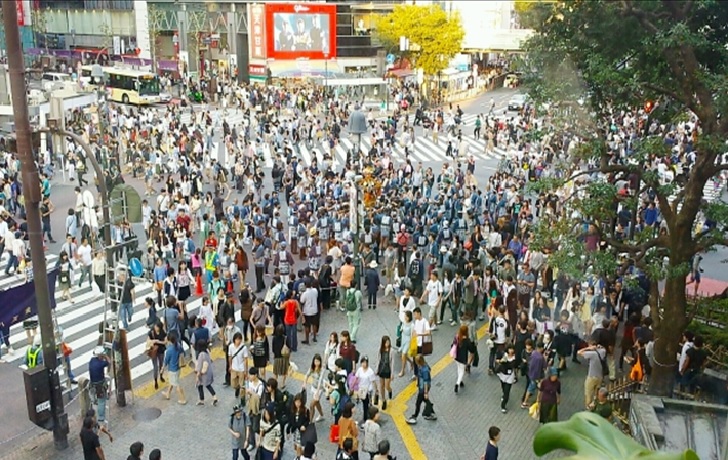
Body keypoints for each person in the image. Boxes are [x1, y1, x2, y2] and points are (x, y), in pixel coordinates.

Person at [406, 355, 435, 424]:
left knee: (418, 403)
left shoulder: (424, 370)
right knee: (425, 399)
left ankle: (415, 416)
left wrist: (425, 392)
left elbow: (425, 382)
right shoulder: (424, 366)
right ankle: (430, 412)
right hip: (423, 388)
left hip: (423, 389)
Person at [162, 331, 187, 405]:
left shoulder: (169, 350)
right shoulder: (178, 346)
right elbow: (183, 353)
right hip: (178, 368)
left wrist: (162, 369)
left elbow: (166, 361)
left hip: (172, 370)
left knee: (177, 384)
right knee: (172, 381)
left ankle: (182, 399)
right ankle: (168, 393)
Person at [453, 324, 476, 393]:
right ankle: (457, 384)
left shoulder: (457, 337)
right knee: (462, 372)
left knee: (459, 369)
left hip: (456, 357)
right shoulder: (467, 340)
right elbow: (471, 350)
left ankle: (461, 381)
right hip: (463, 359)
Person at [89, 346, 110, 423]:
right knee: (101, 401)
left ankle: (94, 402)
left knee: (95, 400)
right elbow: (109, 362)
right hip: (100, 385)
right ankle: (101, 418)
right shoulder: (100, 364)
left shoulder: (92, 361)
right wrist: (106, 356)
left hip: (92, 384)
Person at [195, 339, 218, 406]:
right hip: (208, 372)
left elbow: (201, 364)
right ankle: (214, 397)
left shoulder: (201, 354)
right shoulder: (207, 351)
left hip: (203, 374)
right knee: (207, 385)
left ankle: (202, 400)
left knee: (200, 385)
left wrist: (198, 373)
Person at [496, 345, 518, 413]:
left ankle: (503, 405)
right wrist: (500, 361)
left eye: (512, 349)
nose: (511, 351)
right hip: (502, 374)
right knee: (503, 386)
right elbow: (497, 359)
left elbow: (515, 366)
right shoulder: (504, 354)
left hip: (510, 376)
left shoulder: (515, 357)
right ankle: (504, 395)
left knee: (507, 391)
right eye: (510, 349)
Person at [229, 332, 249, 404]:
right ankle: (237, 388)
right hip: (234, 368)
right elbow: (230, 356)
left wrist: (246, 371)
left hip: (241, 369)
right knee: (233, 383)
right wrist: (230, 366)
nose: (238, 341)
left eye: (240, 339)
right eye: (237, 339)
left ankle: (242, 399)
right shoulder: (231, 346)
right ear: (234, 339)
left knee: (242, 385)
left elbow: (245, 359)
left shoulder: (244, 348)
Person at [376, 336, 395, 410]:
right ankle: (384, 400)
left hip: (388, 370)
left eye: (388, 342)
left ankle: (390, 390)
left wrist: (392, 373)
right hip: (381, 369)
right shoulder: (380, 349)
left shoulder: (391, 350)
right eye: (386, 342)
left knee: (387, 386)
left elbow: (392, 363)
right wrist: (377, 369)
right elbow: (378, 360)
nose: (388, 343)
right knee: (381, 386)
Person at [147, 321, 167, 389]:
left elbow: (165, 342)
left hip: (161, 350)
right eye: (155, 326)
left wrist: (158, 341)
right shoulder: (151, 332)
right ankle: (155, 381)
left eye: (157, 327)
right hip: (154, 351)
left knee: (161, 364)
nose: (155, 328)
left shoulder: (162, 332)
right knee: (155, 367)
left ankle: (161, 376)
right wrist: (153, 341)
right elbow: (148, 341)